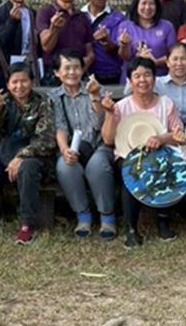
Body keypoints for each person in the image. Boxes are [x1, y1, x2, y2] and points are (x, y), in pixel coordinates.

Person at [0, 63, 55, 246]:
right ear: (8, 84)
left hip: (34, 156)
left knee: (28, 168)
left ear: (32, 82)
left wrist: (21, 157)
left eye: (24, 81)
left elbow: (46, 140)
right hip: (4, 153)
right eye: (14, 82)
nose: (19, 86)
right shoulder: (3, 100)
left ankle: (27, 224)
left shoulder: (43, 102)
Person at [99, 58, 186, 249]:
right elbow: (108, 140)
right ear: (130, 80)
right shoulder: (121, 106)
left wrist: (161, 138)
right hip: (128, 153)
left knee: (168, 164)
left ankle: (163, 221)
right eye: (136, 76)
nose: (142, 80)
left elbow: (179, 135)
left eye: (147, 75)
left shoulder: (166, 104)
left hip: (160, 152)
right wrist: (109, 114)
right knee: (130, 171)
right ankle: (131, 229)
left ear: (155, 79)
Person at [52, 51, 116, 239]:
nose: (72, 72)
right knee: (65, 166)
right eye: (67, 68)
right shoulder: (54, 97)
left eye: (77, 68)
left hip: (99, 145)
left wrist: (95, 96)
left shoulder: (96, 89)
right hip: (72, 147)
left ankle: (107, 216)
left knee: (97, 166)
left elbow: (99, 124)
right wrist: (64, 150)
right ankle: (83, 214)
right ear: (57, 72)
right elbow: (60, 127)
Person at [37, 0, 94, 81]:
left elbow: (90, 52)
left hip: (79, 75)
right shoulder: (45, 13)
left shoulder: (83, 17)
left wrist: (80, 69)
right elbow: (46, 47)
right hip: (55, 75)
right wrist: (54, 28)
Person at [116, 0, 175, 81]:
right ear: (136, 5)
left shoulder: (167, 26)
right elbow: (125, 57)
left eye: (151, 3)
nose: (147, 7)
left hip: (160, 79)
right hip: (132, 80)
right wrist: (124, 44)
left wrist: (155, 62)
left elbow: (173, 55)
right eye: (143, 3)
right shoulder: (125, 26)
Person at [82, 0, 126, 85]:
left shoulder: (118, 19)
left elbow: (120, 51)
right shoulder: (78, 16)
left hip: (109, 75)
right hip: (81, 74)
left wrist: (107, 41)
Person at [155, 43, 186, 123]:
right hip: (162, 131)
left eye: (183, 59)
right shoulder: (156, 84)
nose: (179, 63)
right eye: (175, 59)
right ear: (167, 62)